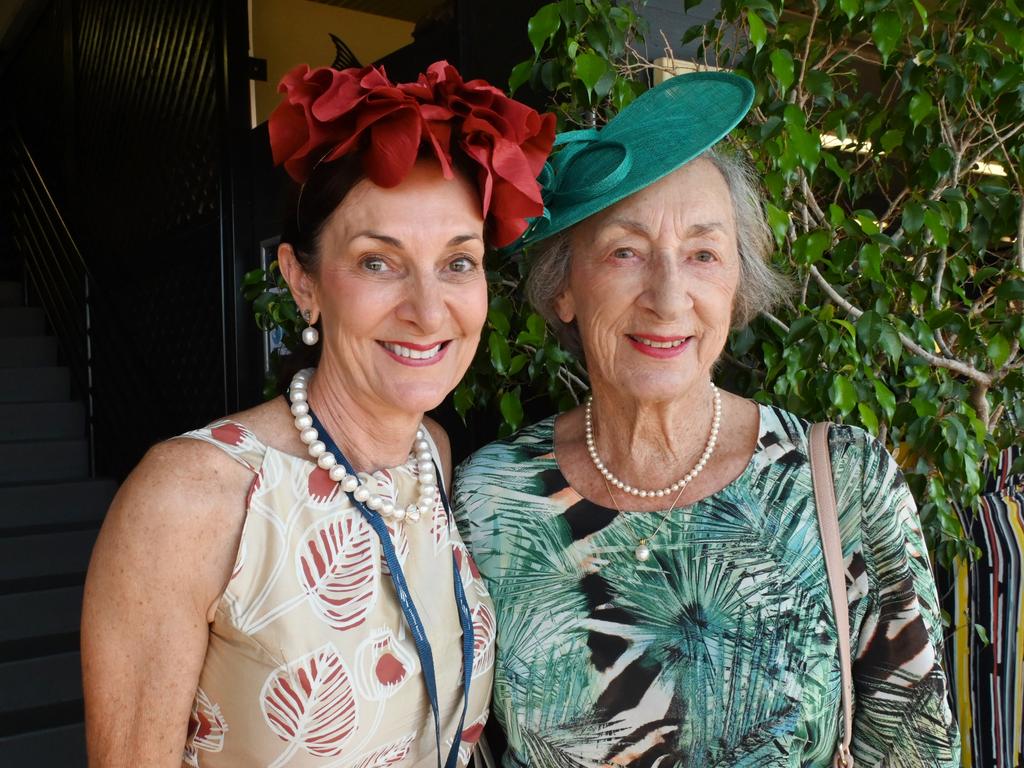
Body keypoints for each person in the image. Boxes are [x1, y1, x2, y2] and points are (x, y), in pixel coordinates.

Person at [453, 72, 960, 767]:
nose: (668, 296)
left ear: (736, 286)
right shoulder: (489, 500)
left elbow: (916, 748)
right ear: (564, 287)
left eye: (702, 254)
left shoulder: (841, 481)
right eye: (625, 251)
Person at [81, 60, 554, 767]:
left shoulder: (431, 454)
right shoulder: (193, 498)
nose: (428, 312)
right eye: (378, 262)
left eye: (458, 263)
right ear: (302, 282)